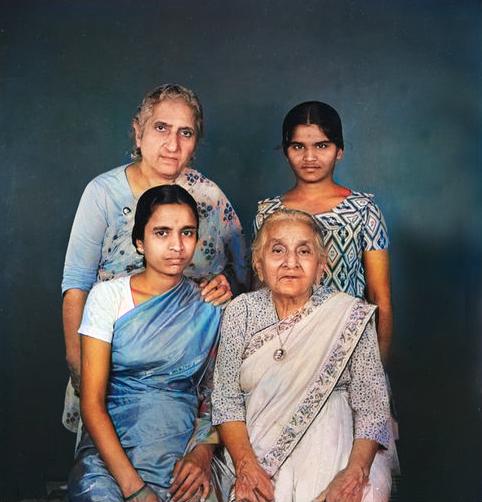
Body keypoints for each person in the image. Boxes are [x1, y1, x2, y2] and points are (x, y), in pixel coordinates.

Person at [62, 83, 248, 431]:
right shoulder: (103, 193)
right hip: (113, 363)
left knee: (184, 472)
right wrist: (81, 370)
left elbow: (245, 271)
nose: (172, 144)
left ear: (195, 143)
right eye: (161, 128)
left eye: (186, 133)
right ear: (138, 132)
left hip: (188, 371)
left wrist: (229, 284)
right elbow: (76, 286)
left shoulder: (209, 196)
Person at [212, 209, 392, 502]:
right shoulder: (241, 311)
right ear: (259, 264)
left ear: (322, 265)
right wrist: (246, 466)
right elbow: (226, 399)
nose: (290, 263)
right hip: (255, 453)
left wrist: (354, 475)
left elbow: (372, 408)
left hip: (337, 450)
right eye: (278, 250)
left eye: (304, 251)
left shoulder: (350, 314)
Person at [69, 185, 222, 501]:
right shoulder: (108, 297)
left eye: (187, 232)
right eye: (162, 233)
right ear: (140, 241)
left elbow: (219, 396)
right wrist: (134, 488)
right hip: (110, 452)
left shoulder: (210, 305)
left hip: (180, 448)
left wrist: (202, 454)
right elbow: (92, 402)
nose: (176, 245)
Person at [254, 101, 392, 365]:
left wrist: (378, 369)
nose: (309, 157)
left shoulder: (364, 210)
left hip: (347, 346)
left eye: (322, 146)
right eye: (298, 147)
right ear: (285, 152)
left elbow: (380, 299)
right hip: (286, 349)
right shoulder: (267, 214)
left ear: (339, 150)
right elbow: (261, 294)